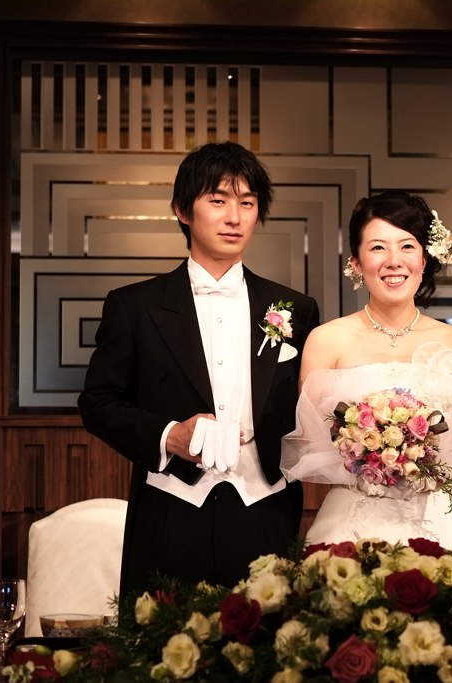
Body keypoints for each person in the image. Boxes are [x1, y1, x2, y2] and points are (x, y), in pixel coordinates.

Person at [78, 141, 321, 598]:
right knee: (164, 639)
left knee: (272, 639)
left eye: (247, 203)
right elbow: (98, 403)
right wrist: (171, 435)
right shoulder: (135, 306)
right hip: (171, 508)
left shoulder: (295, 308)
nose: (235, 217)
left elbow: (311, 407)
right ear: (182, 210)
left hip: (267, 508)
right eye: (218, 200)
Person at [281, 191, 452, 553]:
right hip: (353, 511)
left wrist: (426, 461)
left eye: (407, 246)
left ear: (424, 259)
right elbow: (308, 443)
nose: (394, 261)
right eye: (378, 248)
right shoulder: (326, 340)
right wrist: (368, 453)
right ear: (356, 262)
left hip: (437, 514)